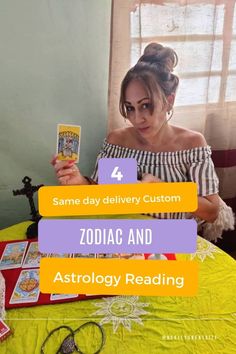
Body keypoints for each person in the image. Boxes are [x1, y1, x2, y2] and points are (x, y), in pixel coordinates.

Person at [52, 42, 221, 225]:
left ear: (169, 101)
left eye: (146, 105)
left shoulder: (192, 144)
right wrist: (78, 182)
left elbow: (212, 212)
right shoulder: (116, 141)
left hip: (172, 243)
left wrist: (163, 192)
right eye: (130, 108)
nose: (137, 118)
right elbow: (101, 196)